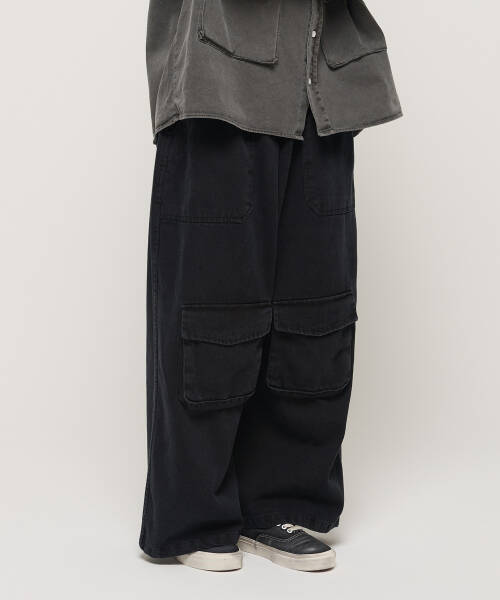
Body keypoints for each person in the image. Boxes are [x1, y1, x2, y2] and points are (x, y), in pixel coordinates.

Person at [140, 0, 401, 572]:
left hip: (321, 88)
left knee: (317, 310)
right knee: (212, 306)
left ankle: (275, 506)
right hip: (219, 83)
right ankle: (195, 517)